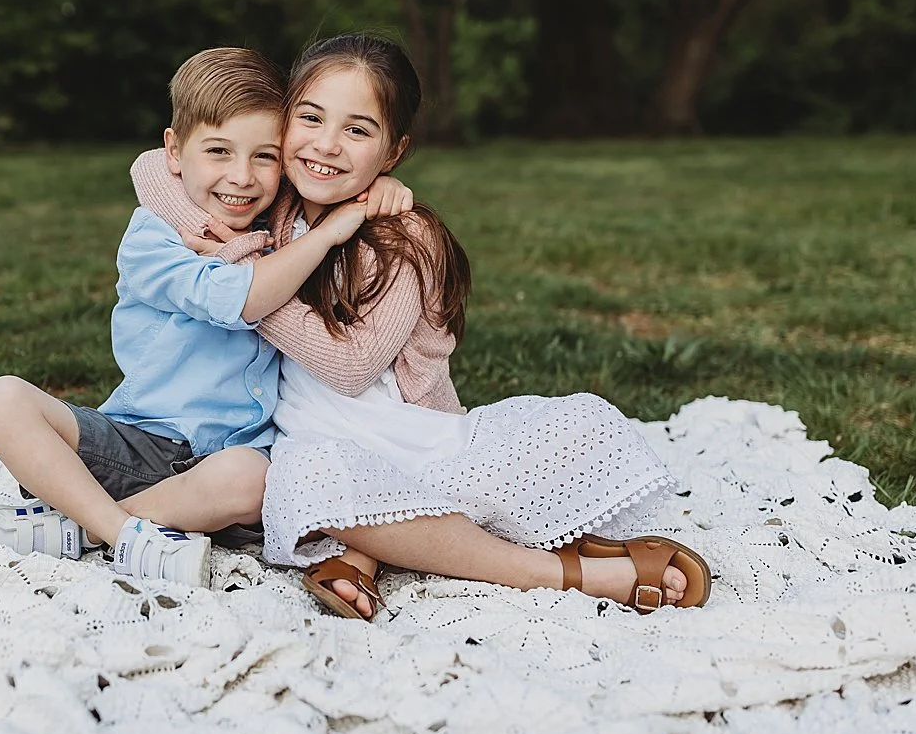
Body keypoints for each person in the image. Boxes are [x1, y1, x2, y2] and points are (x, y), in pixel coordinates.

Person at [132, 33, 712, 620]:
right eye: (310, 118)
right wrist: (239, 242)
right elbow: (155, 168)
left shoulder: (404, 239)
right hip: (313, 447)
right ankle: (375, 548)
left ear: (393, 152)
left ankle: (560, 574)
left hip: (407, 436)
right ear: (283, 124)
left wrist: (244, 273)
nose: (327, 146)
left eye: (358, 131)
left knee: (559, 442)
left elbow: (350, 366)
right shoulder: (278, 203)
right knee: (307, 475)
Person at [0, 46, 405, 588]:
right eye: (219, 152)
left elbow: (334, 172)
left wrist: (373, 187)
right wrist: (330, 233)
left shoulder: (277, 222)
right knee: (2, 397)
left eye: (264, 157)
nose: (242, 178)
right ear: (175, 151)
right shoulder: (154, 237)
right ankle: (123, 534)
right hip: (138, 438)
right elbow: (240, 299)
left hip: (228, 466)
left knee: (254, 479)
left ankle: (80, 528)